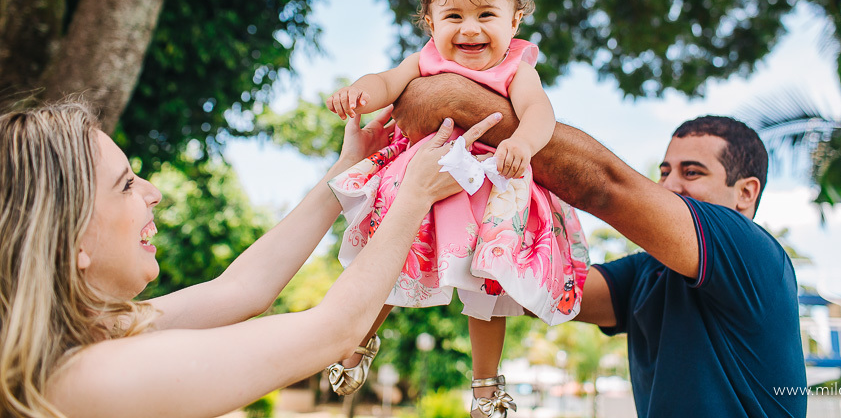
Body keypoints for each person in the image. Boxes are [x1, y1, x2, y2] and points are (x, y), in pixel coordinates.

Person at [0, 100, 502, 418]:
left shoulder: (89, 336)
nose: (152, 192)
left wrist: (348, 169)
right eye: (126, 184)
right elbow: (335, 330)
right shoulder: (88, 379)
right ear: (73, 242)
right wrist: (414, 197)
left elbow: (240, 290)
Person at [391, 74, 808, 418]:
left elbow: (604, 185)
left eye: (693, 172)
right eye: (664, 171)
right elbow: (546, 285)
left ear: (745, 193)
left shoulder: (753, 254)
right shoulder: (650, 272)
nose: (669, 185)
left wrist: (454, 97)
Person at [324, 0, 590, 417]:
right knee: (388, 265)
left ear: (516, 20)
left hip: (488, 187)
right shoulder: (423, 60)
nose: (470, 28)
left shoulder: (516, 69)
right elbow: (386, 82)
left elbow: (538, 112)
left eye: (487, 13)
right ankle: (356, 342)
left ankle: (486, 384)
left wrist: (523, 144)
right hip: (421, 182)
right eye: (453, 15)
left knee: (485, 290)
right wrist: (360, 92)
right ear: (430, 22)